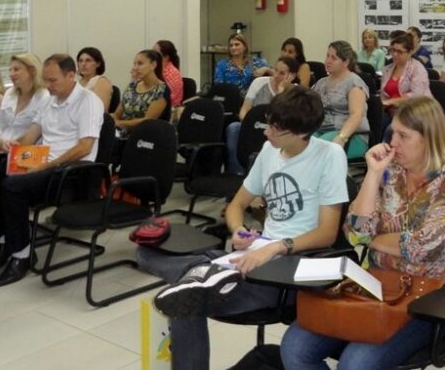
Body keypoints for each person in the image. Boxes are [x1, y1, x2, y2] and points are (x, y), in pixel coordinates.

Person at [142, 86, 348, 370]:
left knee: (185, 300)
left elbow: (327, 233)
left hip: (289, 268)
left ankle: (202, 274)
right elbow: (237, 205)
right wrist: (238, 230)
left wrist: (275, 247)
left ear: (301, 133)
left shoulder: (330, 155)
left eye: (276, 129)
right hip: (255, 253)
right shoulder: (269, 150)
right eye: (268, 124)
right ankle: (205, 274)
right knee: (146, 253)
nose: (267, 133)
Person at [280, 96, 445, 370]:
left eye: (403, 136)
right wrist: (372, 175)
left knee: (355, 363)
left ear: (429, 138)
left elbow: (419, 247)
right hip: (375, 286)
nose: (393, 142)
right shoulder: (389, 171)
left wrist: (371, 239)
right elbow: (354, 234)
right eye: (393, 133)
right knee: (295, 347)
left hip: (428, 299)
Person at [0, 54, 103, 286]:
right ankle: (4, 240)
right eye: (45, 80)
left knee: (12, 186)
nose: (48, 85)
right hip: (42, 162)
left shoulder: (88, 101)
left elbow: (84, 148)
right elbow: (31, 136)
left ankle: (22, 255)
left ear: (70, 75)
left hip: (69, 173)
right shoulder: (48, 100)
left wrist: (43, 166)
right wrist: (12, 144)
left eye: (53, 80)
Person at [312, 41, 370, 159]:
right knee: (298, 145)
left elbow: (356, 115)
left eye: (333, 58)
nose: (328, 61)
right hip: (322, 131)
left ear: (345, 62)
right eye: (327, 56)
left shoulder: (354, 83)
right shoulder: (321, 83)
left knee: (315, 150)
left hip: (351, 136)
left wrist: (341, 137)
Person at [112, 49, 168, 160]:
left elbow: (147, 121)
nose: (135, 67)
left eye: (140, 63)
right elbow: (118, 113)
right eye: (134, 64)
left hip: (146, 140)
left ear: (153, 65)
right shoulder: (132, 86)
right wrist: (112, 121)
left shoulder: (161, 90)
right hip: (123, 135)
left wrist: (119, 123)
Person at [380, 32, 431, 116]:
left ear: (410, 52)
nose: (395, 54)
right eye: (393, 50)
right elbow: (383, 95)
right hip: (392, 112)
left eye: (399, 52)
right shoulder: (387, 69)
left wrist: (391, 102)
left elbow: (416, 96)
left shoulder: (417, 69)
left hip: (415, 113)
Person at [76, 46, 113, 111]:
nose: (83, 64)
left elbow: (100, 109)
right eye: (80, 61)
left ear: (98, 64)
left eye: (88, 60)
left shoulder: (101, 81)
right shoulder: (76, 82)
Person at [153, 39, 184, 107]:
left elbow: (166, 98)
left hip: (168, 108)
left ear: (166, 57)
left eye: (155, 53)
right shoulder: (156, 69)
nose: (151, 56)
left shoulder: (172, 73)